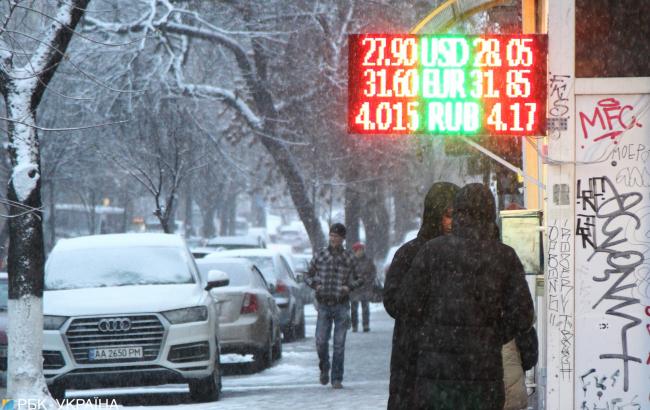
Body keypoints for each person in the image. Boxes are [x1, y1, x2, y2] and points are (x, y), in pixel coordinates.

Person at [397, 183, 534, 410]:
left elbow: (406, 304)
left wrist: (432, 332)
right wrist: (493, 334)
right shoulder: (504, 256)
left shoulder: (432, 251)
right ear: (490, 213)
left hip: (436, 376)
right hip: (483, 376)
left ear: (459, 212)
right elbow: (523, 315)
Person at [383, 182, 459, 410]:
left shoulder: (464, 252)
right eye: (447, 215)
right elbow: (393, 302)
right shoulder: (409, 253)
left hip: (451, 363)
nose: (452, 222)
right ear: (435, 215)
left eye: (457, 215)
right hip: (414, 358)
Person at [305, 223, 362, 389]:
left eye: (336, 236)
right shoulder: (321, 255)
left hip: (341, 305)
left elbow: (360, 278)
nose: (333, 239)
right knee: (321, 341)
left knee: (339, 344)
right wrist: (316, 285)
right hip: (323, 304)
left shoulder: (349, 258)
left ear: (342, 239)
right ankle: (324, 366)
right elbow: (308, 275)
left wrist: (348, 287)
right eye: (331, 236)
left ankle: (337, 378)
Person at [349, 242, 377, 332]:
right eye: (358, 250)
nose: (360, 252)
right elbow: (347, 274)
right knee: (354, 309)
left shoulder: (368, 261)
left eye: (362, 250)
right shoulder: (351, 261)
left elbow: (373, 272)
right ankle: (354, 326)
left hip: (365, 287)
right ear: (355, 251)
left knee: (365, 307)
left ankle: (366, 325)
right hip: (355, 288)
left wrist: (368, 280)